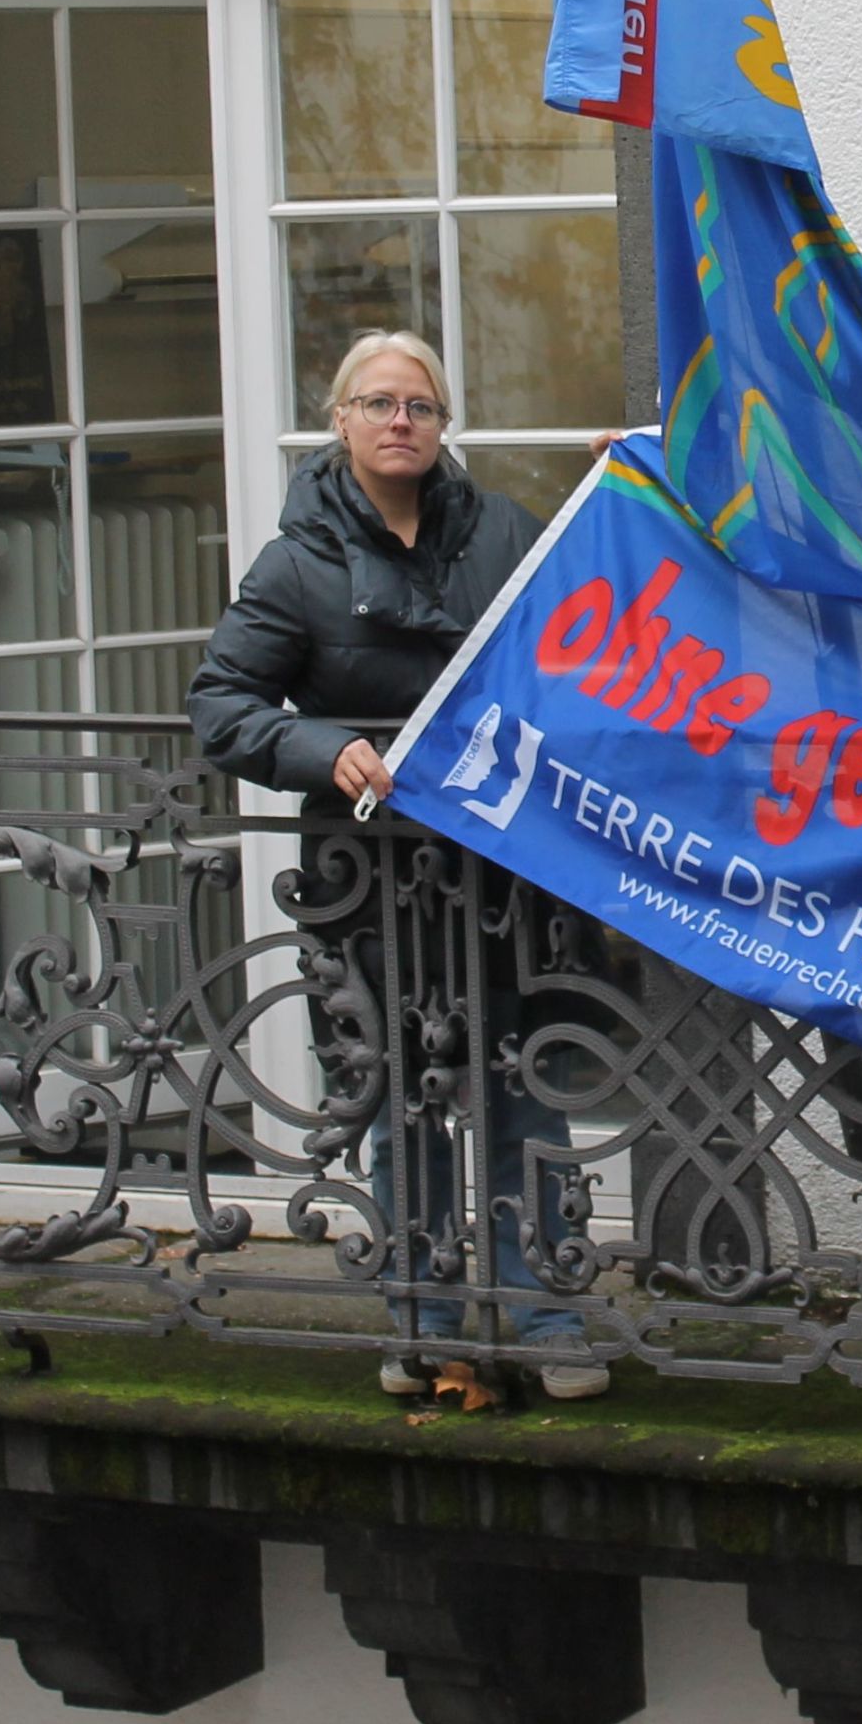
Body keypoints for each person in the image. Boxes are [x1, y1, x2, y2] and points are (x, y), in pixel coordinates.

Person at [187, 329, 608, 1406]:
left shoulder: (501, 530)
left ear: (442, 422)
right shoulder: (297, 562)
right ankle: (421, 1323)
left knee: (523, 1104)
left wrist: (621, 500)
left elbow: (581, 623)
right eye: (377, 403)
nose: (399, 422)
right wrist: (321, 748)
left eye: (418, 405)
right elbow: (222, 705)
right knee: (402, 1107)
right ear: (341, 421)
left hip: (499, 874)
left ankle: (547, 1319)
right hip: (369, 880)